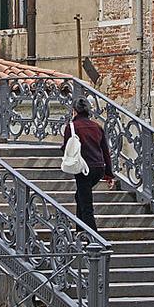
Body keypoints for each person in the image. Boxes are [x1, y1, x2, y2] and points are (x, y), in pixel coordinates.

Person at [61, 98, 114, 232]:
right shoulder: (97, 127)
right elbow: (105, 151)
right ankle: (80, 231)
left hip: (83, 169)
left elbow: (66, 148)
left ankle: (94, 240)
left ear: (74, 111)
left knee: (86, 205)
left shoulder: (72, 127)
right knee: (80, 196)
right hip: (98, 168)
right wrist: (109, 174)